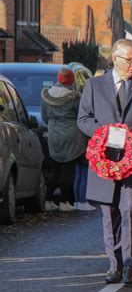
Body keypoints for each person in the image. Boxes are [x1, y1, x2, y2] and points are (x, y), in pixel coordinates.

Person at [77, 39, 132, 285]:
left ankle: (129, 265)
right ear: (115, 58)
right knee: (109, 215)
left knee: (131, 211)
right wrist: (104, 133)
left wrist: (131, 132)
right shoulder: (94, 85)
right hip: (104, 163)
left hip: (131, 164)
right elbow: (83, 119)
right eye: (130, 59)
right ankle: (113, 265)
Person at [41, 68, 86, 212]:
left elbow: (44, 116)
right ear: (71, 80)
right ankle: (64, 201)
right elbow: (81, 116)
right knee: (68, 168)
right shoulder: (75, 97)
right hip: (71, 133)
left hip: (54, 133)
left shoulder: (46, 95)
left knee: (55, 168)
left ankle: (48, 200)